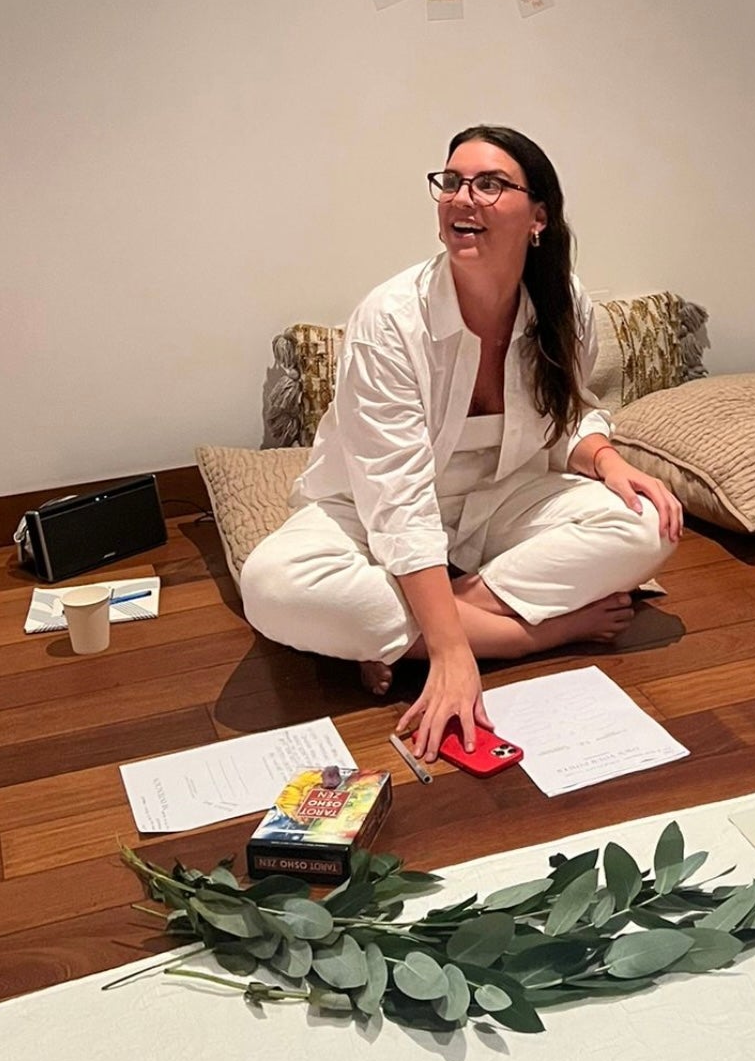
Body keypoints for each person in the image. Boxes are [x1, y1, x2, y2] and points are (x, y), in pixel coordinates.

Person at [241, 125, 683, 761]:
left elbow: (566, 421)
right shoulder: (389, 320)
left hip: (500, 499)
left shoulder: (565, 306)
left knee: (648, 525)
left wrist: (608, 461)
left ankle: (403, 631)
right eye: (450, 182)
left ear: (539, 217)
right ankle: (513, 634)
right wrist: (462, 654)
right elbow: (396, 499)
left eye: (489, 184)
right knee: (275, 586)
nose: (461, 197)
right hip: (368, 513)